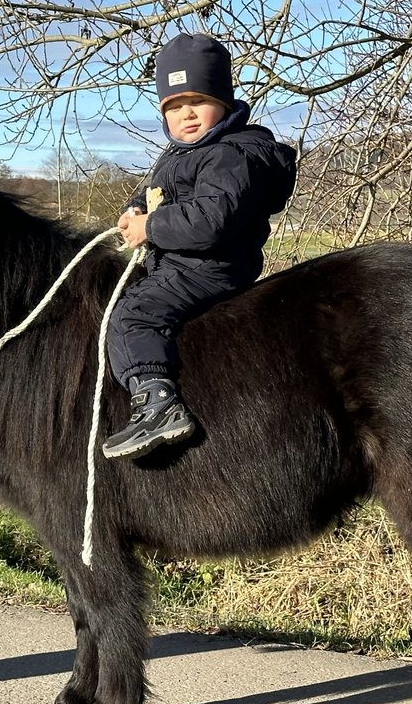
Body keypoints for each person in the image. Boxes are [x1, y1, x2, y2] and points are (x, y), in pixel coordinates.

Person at [102, 32, 297, 460]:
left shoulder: (233, 156)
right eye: (173, 106)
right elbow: (155, 192)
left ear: (223, 102)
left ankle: (158, 403)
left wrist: (151, 228)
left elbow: (210, 221)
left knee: (135, 314)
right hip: (180, 262)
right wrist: (135, 211)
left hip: (211, 264)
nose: (186, 114)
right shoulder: (178, 156)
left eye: (197, 100)